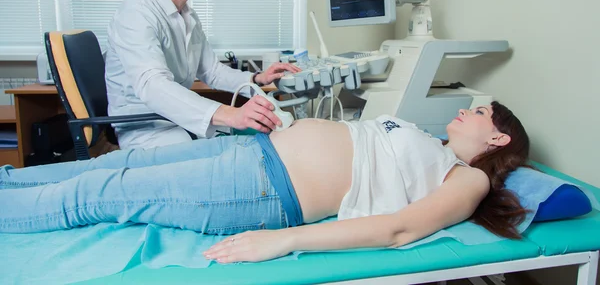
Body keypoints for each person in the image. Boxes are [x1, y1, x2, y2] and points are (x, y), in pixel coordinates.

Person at [0, 102, 529, 264]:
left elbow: (396, 230)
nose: (465, 109)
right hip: (248, 151)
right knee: (106, 166)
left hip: (263, 189)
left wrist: (286, 239)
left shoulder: (467, 181)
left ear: (499, 140)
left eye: (479, 111)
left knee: (101, 194)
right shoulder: (431, 145)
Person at [104, 0, 300, 149]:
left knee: (268, 142)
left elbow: (212, 71)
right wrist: (230, 114)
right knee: (245, 156)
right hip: (147, 132)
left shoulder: (187, 16)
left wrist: (257, 79)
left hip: (178, 121)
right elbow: (153, 86)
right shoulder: (135, 15)